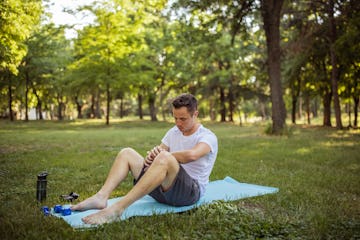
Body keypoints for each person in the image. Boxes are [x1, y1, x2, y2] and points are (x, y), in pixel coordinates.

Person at [71, 93, 218, 225]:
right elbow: (160, 154)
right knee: (126, 153)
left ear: (195, 114)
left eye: (183, 119)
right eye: (175, 118)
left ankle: (117, 208)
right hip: (163, 190)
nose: (178, 123)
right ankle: (101, 197)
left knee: (165, 157)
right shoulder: (174, 132)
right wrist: (152, 157)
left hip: (188, 194)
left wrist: (163, 157)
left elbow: (192, 155)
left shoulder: (207, 136)